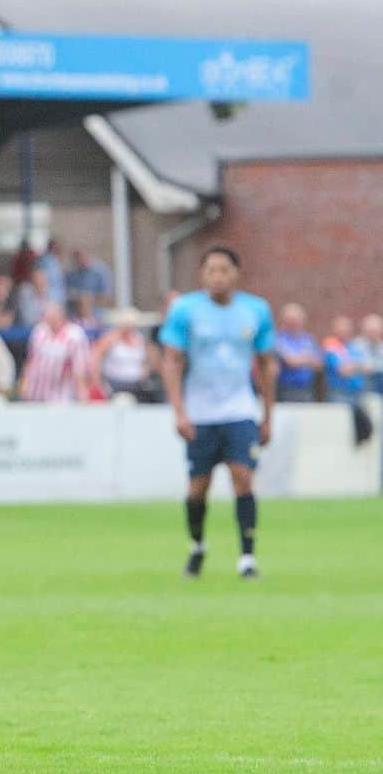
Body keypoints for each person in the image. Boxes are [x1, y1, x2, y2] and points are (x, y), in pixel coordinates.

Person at [160, 247, 276, 580]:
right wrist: (179, 411)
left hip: (240, 409)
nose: (217, 277)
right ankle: (197, 545)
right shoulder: (186, 310)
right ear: (202, 275)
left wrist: (268, 415)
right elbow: (172, 360)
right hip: (201, 412)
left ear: (236, 273)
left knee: (243, 478)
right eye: (211, 270)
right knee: (198, 487)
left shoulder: (256, 310)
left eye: (224, 270)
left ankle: (247, 558)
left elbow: (267, 365)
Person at [19, 303, 91, 403]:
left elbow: (79, 371)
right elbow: (30, 360)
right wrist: (24, 386)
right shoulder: (39, 330)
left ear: (61, 316)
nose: (47, 320)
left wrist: (83, 400)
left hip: (60, 397)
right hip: (34, 394)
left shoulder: (75, 335)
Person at [92, 309, 158, 402]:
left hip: (137, 385)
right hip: (114, 385)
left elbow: (149, 360)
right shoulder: (110, 339)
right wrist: (98, 382)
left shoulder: (139, 338)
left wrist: (145, 371)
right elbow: (95, 357)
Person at [274, 303, 322, 403]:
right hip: (287, 390)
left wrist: (301, 359)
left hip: (307, 389)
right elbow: (291, 362)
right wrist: (308, 359)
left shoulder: (309, 339)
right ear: (285, 321)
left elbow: (319, 364)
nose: (294, 323)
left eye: (297, 320)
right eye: (291, 320)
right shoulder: (279, 339)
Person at [321, 316, 370, 405]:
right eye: (341, 329)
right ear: (335, 330)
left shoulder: (354, 346)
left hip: (358, 392)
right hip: (339, 393)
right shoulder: (330, 346)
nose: (344, 331)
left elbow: (367, 368)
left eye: (346, 328)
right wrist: (357, 366)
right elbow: (343, 370)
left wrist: (353, 367)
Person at [352, 314, 383, 396]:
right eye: (370, 331)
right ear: (364, 331)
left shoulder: (381, 346)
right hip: (361, 386)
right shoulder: (355, 345)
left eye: (375, 331)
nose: (372, 334)